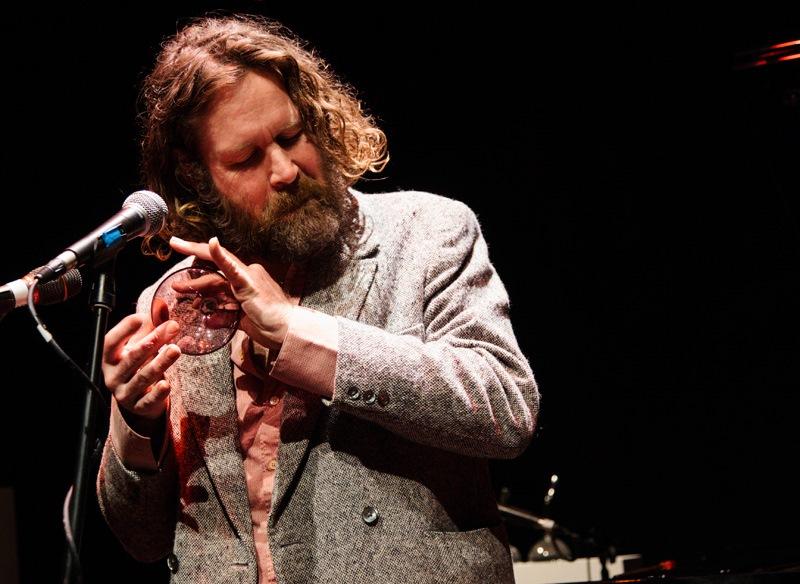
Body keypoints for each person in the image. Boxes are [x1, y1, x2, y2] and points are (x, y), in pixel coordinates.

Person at [96, 13, 539, 584]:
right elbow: (141, 542)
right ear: (195, 175)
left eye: (290, 136)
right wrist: (136, 423)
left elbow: (506, 409)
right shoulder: (170, 300)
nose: (283, 170)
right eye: (246, 159)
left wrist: (296, 331)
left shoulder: (428, 231)